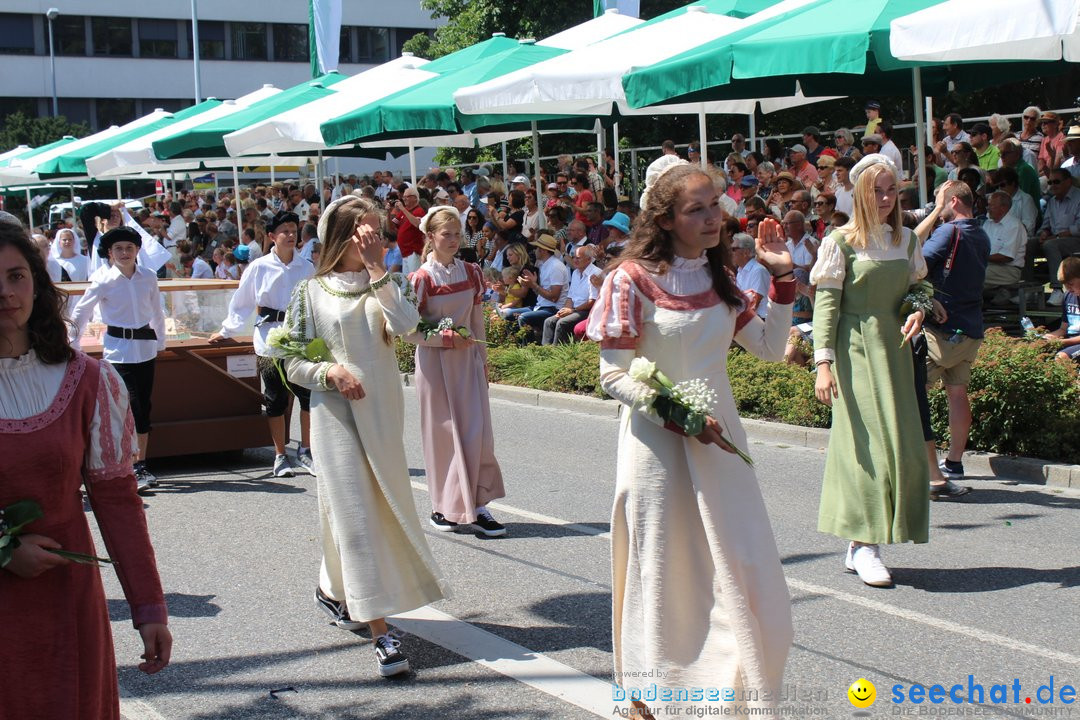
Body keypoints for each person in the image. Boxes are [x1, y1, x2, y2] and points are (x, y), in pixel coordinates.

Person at [586, 159, 794, 716]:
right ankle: (654, 699)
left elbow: (772, 349)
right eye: (697, 209)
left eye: (716, 206)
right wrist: (676, 415)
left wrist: (783, 279)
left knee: (739, 569)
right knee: (666, 575)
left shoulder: (718, 276)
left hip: (722, 444)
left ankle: (723, 694)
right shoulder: (628, 279)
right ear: (667, 217)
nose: (713, 218)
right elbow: (611, 375)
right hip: (658, 449)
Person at [0, 218, 172, 720]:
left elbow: (118, 502)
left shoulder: (87, 381)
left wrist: (148, 607)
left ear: (36, 282)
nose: (5, 293)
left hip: (65, 598)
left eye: (16, 277)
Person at [278, 195, 448, 677]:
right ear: (343, 236)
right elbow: (291, 359)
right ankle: (382, 632)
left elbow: (409, 328)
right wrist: (330, 371)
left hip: (383, 413)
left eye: (379, 232)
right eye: (366, 231)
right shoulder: (310, 291)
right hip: (334, 415)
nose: (375, 239)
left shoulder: (386, 283)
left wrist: (379, 271)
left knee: (374, 506)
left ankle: (333, 589)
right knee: (354, 512)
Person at [810, 154, 931, 588]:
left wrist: (918, 308)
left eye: (891, 190)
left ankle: (861, 543)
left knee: (899, 443)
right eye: (876, 190)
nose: (884, 198)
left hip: (896, 352)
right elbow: (826, 307)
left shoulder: (907, 241)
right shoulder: (840, 241)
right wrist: (823, 363)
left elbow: (921, 287)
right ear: (859, 192)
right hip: (854, 349)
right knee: (867, 443)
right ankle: (864, 545)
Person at [405, 206, 507, 537]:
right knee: (443, 434)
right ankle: (443, 505)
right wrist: (445, 337)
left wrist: (482, 355)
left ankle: (478, 505)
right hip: (435, 364)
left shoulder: (472, 272)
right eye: (445, 234)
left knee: (476, 432)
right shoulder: (420, 278)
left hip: (467, 362)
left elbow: (477, 319)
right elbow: (406, 330)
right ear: (430, 237)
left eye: (456, 233)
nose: (452, 239)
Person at [209, 211, 315, 478]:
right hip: (270, 338)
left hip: (300, 339)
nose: (291, 236)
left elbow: (315, 303)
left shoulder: (307, 267)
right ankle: (280, 454)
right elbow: (242, 302)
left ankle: (306, 450)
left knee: (307, 396)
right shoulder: (259, 267)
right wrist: (226, 330)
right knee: (275, 399)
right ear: (272, 237)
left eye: (294, 231)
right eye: (285, 231)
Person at [70, 227, 167, 493]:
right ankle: (123, 464)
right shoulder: (103, 280)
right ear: (110, 253)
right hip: (117, 350)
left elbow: (157, 310)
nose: (124, 253)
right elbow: (82, 311)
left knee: (143, 407)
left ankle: (141, 465)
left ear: (137, 251)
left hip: (145, 349)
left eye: (129, 248)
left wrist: (160, 342)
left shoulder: (148, 277)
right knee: (128, 406)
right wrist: (72, 344)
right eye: (118, 249)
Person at [921, 180, 989, 491]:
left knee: (911, 395)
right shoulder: (983, 234)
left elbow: (917, 265)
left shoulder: (949, 231)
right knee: (958, 394)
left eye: (939, 201)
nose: (937, 207)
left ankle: (923, 464)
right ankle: (955, 462)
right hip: (971, 328)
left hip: (941, 329)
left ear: (954, 202)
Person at [541, 245, 601, 345]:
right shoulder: (575, 273)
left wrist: (572, 310)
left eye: (578, 258)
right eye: (573, 257)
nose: (574, 260)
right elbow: (570, 297)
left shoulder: (595, 273)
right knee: (549, 321)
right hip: (575, 309)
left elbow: (593, 301)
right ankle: (544, 353)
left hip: (588, 310)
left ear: (589, 259)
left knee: (562, 323)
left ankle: (557, 355)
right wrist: (564, 310)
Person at [1038, 168, 1080, 306]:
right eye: (1050, 182)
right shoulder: (1052, 201)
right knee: (1029, 243)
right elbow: (1046, 224)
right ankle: (1027, 289)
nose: (1052, 185)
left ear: (1068, 182)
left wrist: (1055, 237)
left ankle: (1057, 290)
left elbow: (1078, 228)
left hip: (1075, 240)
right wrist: (1044, 232)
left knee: (1051, 245)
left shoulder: (1078, 197)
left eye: (1056, 181)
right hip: (1057, 239)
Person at [515, 233, 568, 338]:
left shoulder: (555, 267)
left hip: (553, 308)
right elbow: (542, 293)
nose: (534, 250)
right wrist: (532, 284)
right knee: (508, 314)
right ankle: (515, 345)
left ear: (543, 250)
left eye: (536, 248)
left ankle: (528, 349)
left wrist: (533, 285)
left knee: (523, 318)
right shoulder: (544, 264)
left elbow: (554, 297)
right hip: (542, 306)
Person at [1042, 257, 1080, 364]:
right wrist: (1049, 337)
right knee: (1035, 351)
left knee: (1061, 357)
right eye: (1065, 285)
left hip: (1073, 342)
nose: (1068, 288)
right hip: (1069, 340)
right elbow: (1063, 329)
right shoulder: (1068, 296)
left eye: (1071, 284)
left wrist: (1062, 342)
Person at [389, 186, 426, 275]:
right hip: (405, 252)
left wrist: (402, 209)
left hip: (414, 252)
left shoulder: (419, 211)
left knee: (414, 278)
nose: (404, 199)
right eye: (403, 196)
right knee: (407, 281)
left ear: (415, 198)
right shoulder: (404, 211)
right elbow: (392, 226)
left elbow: (417, 224)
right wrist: (389, 211)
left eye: (407, 196)